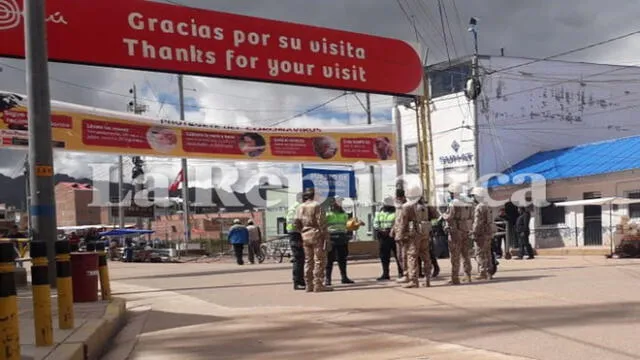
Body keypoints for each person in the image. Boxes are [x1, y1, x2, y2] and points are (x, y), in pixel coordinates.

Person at [398, 187, 440, 288]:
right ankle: (427, 279)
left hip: (413, 235)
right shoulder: (425, 205)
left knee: (412, 257)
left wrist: (400, 235)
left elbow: (403, 223)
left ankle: (413, 280)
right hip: (425, 233)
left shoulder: (407, 206)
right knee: (426, 256)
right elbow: (436, 215)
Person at [294, 187, 333, 292]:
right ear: (314, 196)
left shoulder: (299, 207)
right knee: (319, 260)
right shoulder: (316, 206)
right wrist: (326, 237)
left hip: (305, 235)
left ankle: (308, 285)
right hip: (316, 235)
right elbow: (321, 222)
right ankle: (318, 284)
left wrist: (302, 231)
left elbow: (296, 223)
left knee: (308, 260)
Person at [442, 183, 474, 285]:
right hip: (465, 230)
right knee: (466, 254)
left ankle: (455, 278)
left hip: (455, 231)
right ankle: (467, 275)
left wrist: (443, 215)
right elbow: (471, 216)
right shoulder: (467, 202)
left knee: (455, 255)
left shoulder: (453, 203)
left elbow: (450, 216)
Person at [325, 196, 354, 285]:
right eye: (338, 202)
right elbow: (323, 226)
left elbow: (348, 226)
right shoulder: (327, 214)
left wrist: (350, 232)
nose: (339, 204)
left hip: (342, 238)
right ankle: (327, 279)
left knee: (342, 259)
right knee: (329, 260)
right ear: (333, 203)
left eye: (340, 202)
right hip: (331, 238)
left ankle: (344, 277)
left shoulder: (344, 214)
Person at [374, 196, 403, 281]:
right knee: (384, 256)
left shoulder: (396, 213)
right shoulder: (379, 213)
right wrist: (380, 230)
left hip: (394, 236)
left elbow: (398, 223)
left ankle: (401, 272)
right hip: (383, 237)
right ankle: (385, 274)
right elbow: (375, 223)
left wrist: (391, 230)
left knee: (398, 256)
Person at [470, 187, 495, 280]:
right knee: (488, 253)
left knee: (479, 253)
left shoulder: (479, 207)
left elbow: (477, 222)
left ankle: (482, 272)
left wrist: (474, 232)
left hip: (481, 233)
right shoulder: (488, 206)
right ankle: (489, 272)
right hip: (488, 232)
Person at [287, 192, 305, 290]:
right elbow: (298, 221)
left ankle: (300, 281)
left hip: (293, 233)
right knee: (299, 258)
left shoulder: (293, 207)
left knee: (299, 258)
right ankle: (298, 282)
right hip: (297, 233)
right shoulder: (300, 207)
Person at [390, 189, 408, 283]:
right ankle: (405, 273)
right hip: (397, 234)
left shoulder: (407, 206)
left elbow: (405, 222)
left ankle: (408, 275)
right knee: (399, 256)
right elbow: (397, 220)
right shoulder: (397, 207)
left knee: (405, 256)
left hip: (404, 234)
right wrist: (393, 229)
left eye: (398, 197)